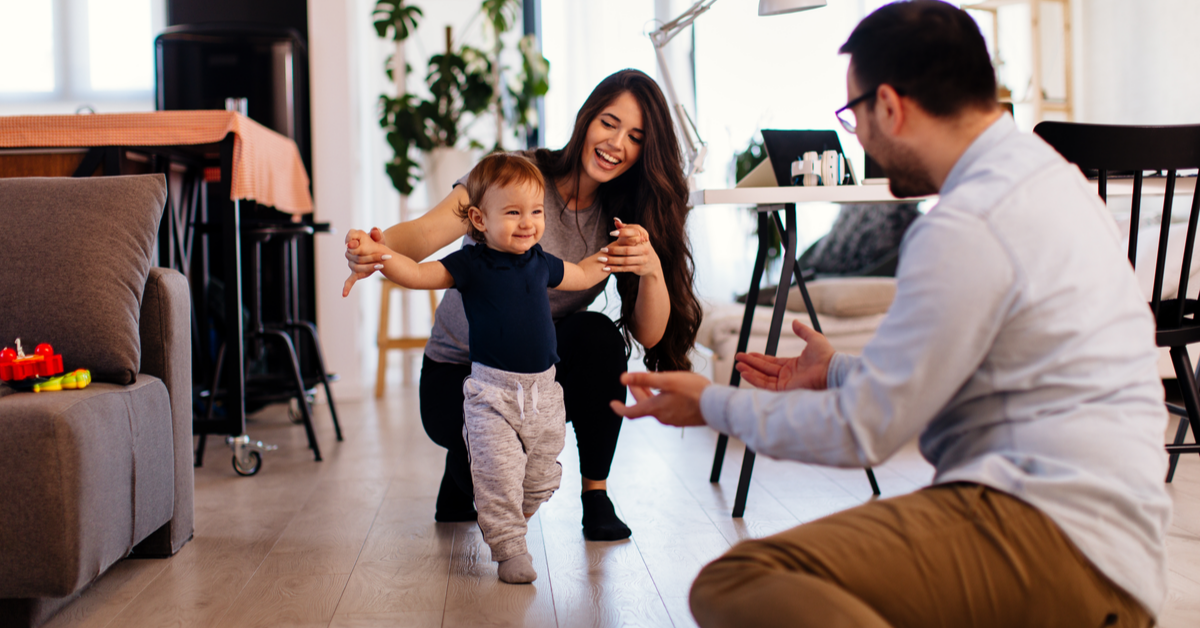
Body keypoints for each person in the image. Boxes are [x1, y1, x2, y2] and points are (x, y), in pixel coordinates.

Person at [612, 2, 1170, 627]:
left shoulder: (967, 223)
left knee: (739, 578)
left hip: (1054, 533)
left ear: (890, 107)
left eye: (852, 116)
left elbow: (863, 432)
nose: (859, 136)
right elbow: (961, 371)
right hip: (1114, 543)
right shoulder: (1051, 181)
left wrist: (709, 402)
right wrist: (840, 371)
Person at [345, 68, 702, 541]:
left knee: (599, 339)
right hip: (462, 374)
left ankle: (595, 496)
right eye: (609, 123)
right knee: (483, 485)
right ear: (587, 118)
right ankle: (466, 464)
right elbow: (427, 233)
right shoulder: (512, 175)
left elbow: (650, 334)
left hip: (536, 380)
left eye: (635, 137)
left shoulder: (625, 213)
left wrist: (652, 268)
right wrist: (376, 248)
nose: (616, 143)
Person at [345, 153, 611, 583]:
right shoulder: (470, 264)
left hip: (544, 395)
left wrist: (613, 255)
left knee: (541, 479)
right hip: (491, 396)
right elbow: (414, 272)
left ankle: (505, 515)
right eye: (513, 213)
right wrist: (379, 254)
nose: (527, 223)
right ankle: (509, 549)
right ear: (479, 219)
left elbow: (581, 274)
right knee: (498, 474)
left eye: (536, 212)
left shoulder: (541, 260)